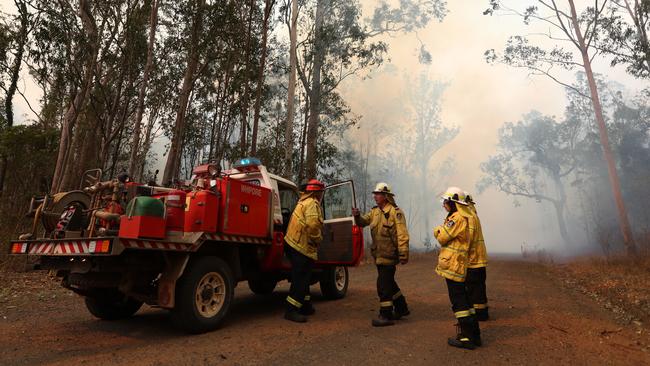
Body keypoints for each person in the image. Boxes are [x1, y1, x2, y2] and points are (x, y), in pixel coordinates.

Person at [352, 182, 410, 327]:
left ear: (386, 196)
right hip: (378, 255)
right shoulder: (375, 212)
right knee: (389, 283)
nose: (375, 196)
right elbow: (363, 222)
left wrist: (403, 253)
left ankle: (386, 315)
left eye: (378, 194)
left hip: (389, 255)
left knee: (383, 285)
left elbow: (402, 234)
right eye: (375, 194)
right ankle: (402, 309)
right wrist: (357, 216)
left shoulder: (395, 212)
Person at [434, 187, 481, 349]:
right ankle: (475, 335)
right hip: (459, 263)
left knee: (459, 301)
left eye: (446, 201)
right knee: (466, 301)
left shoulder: (457, 218)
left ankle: (466, 338)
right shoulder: (466, 216)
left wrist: (437, 229)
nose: (444, 204)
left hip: (453, 265)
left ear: (453, 202)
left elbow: (442, 237)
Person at [283, 179, 325, 323]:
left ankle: (305, 305)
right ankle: (291, 310)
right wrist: (318, 239)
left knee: (305, 277)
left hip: (294, 244)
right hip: (300, 246)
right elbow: (313, 226)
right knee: (300, 278)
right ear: (317, 192)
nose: (321, 195)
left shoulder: (303, 202)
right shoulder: (312, 204)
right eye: (321, 192)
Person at [464, 192, 489, 321]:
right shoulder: (474, 213)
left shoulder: (468, 216)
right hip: (479, 259)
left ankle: (479, 314)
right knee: (479, 287)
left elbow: (467, 238)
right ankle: (482, 312)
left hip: (473, 259)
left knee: (474, 288)